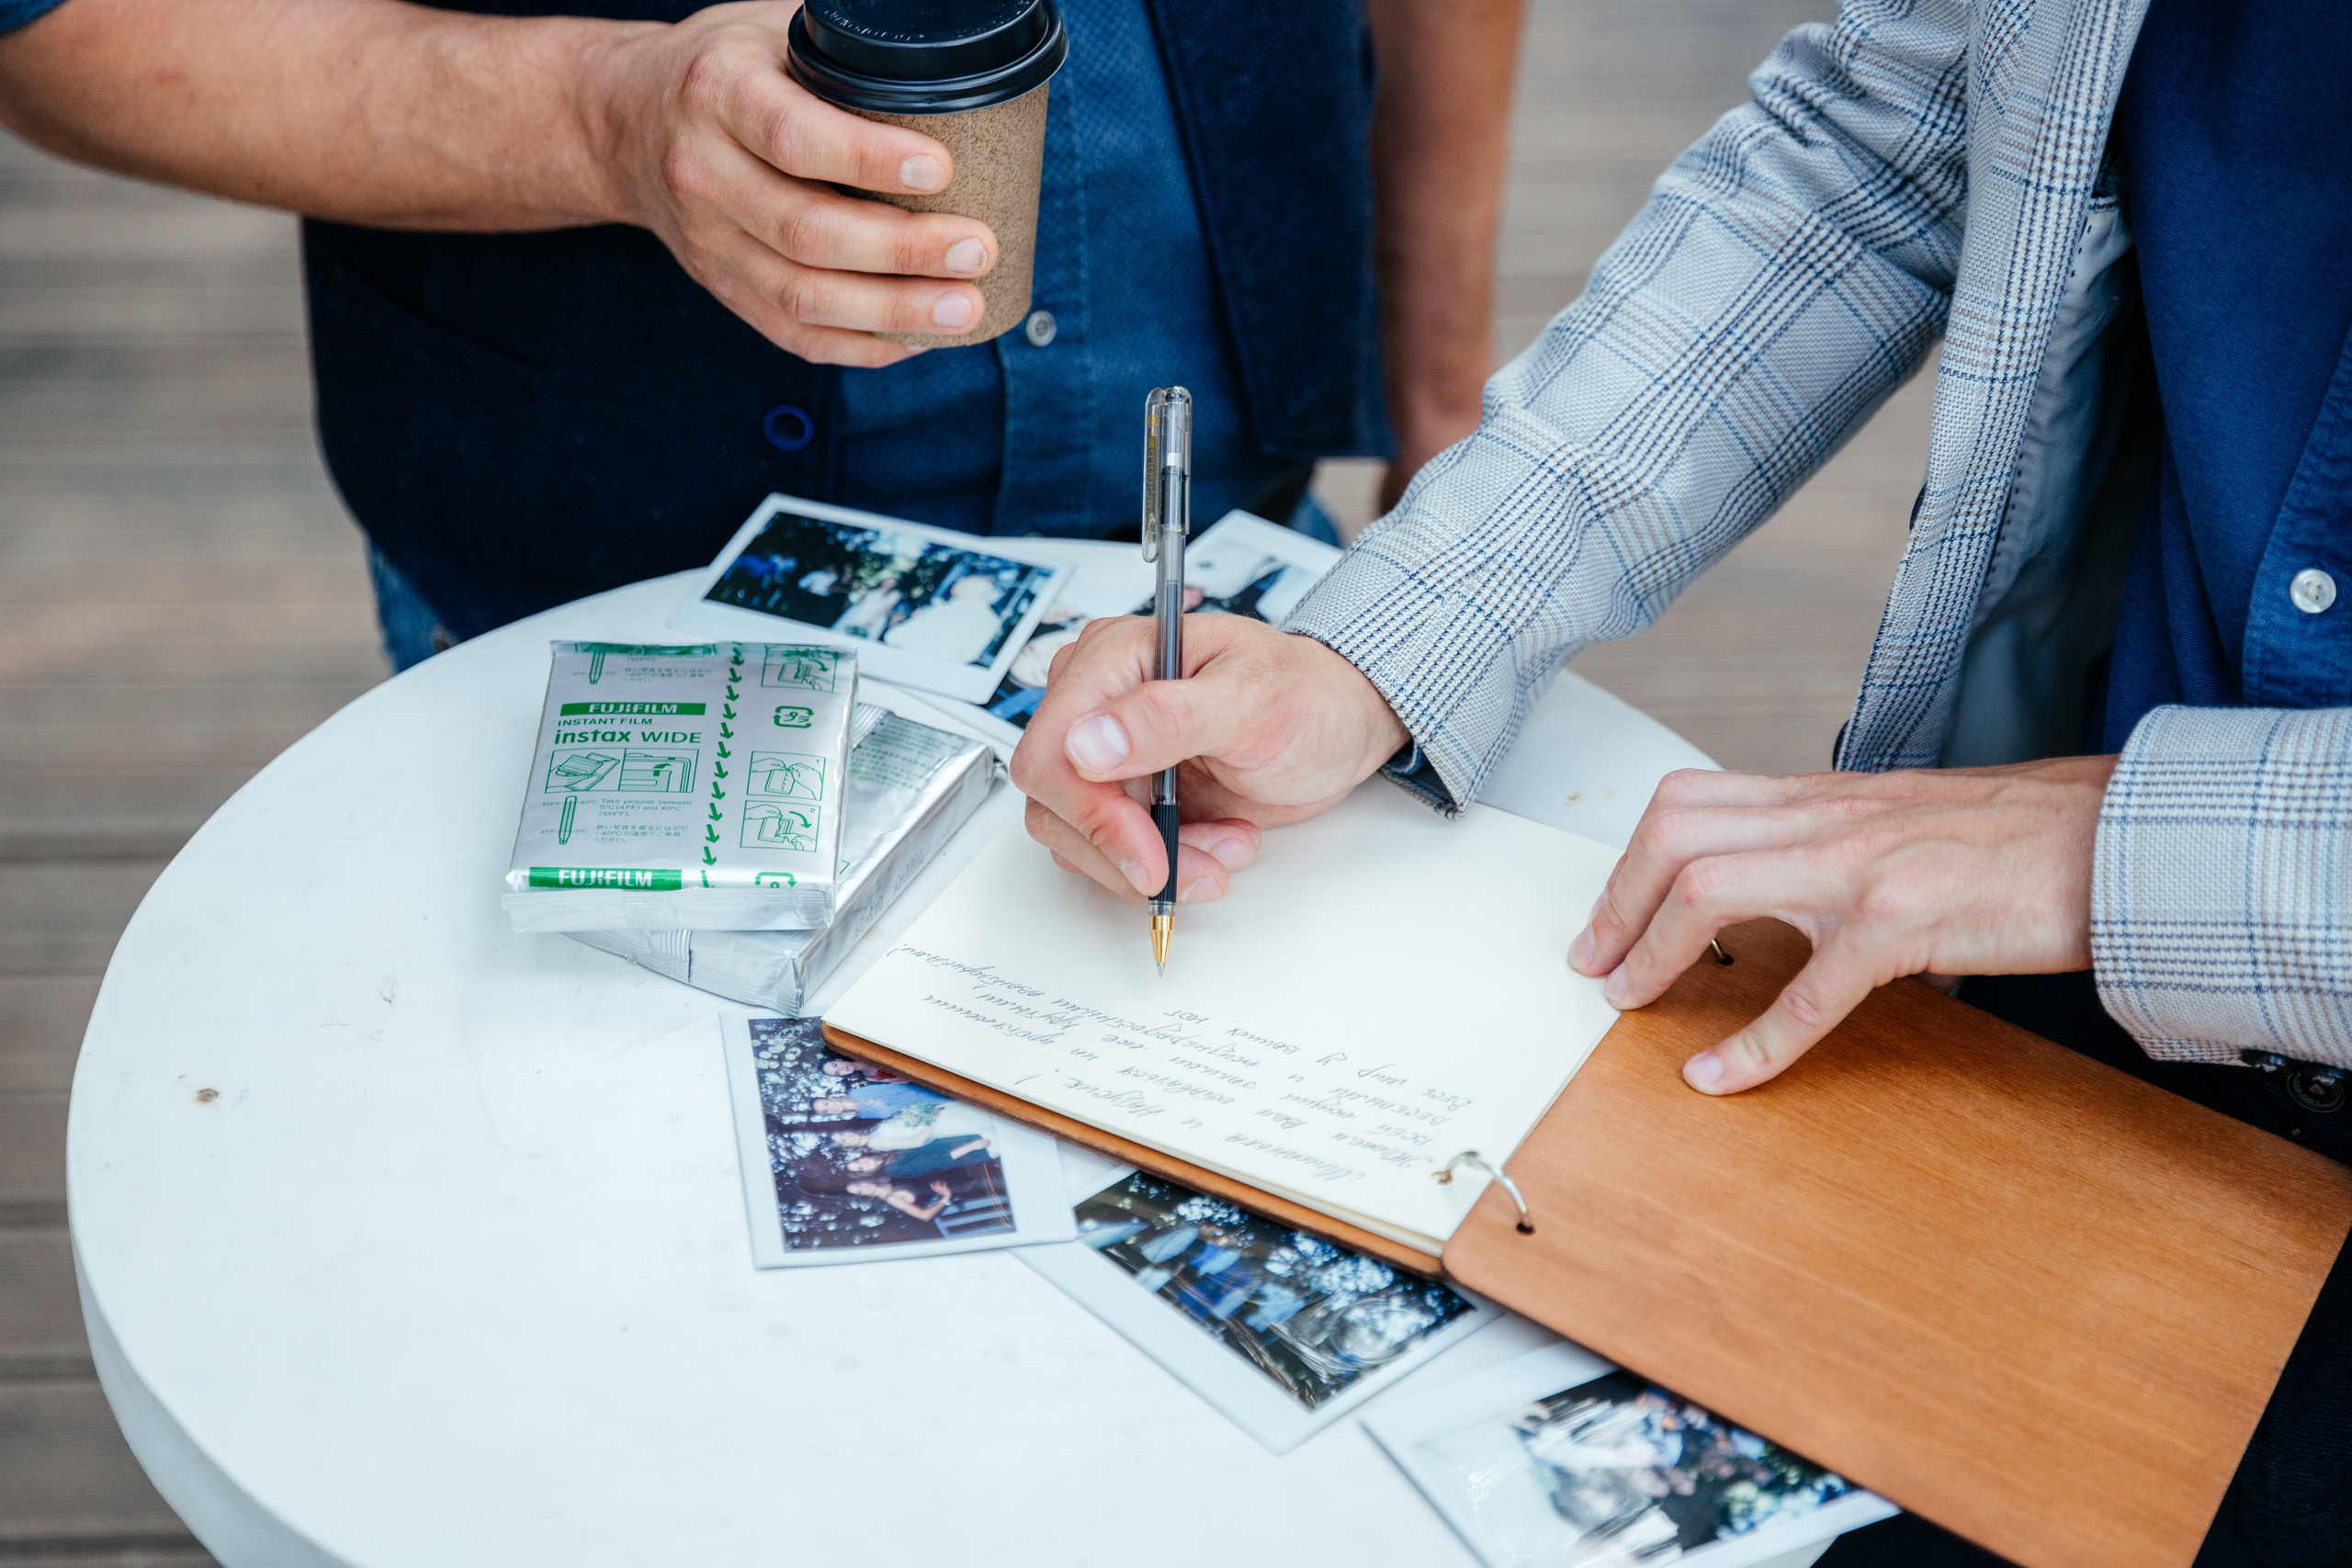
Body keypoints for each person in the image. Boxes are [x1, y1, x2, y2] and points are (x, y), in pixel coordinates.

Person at [1012, 1, 2352, 1561]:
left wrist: (2131, 848)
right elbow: (1874, 149)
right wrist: (1383, 646)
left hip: (2077, 894)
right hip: (2056, 1037)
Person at [0, 0, 1525, 669]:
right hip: (593, 583)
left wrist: (1440, 378)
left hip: (1222, 522)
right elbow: (55, 26)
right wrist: (600, 119)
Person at [882, 573, 1010, 667]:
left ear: (969, 587)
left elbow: (894, 638)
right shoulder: (992, 620)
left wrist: (913, 619)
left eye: (960, 582)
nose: (954, 585)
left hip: (912, 665)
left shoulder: (951, 610)